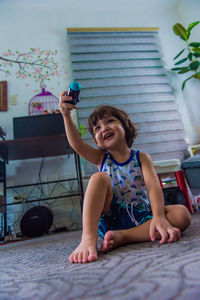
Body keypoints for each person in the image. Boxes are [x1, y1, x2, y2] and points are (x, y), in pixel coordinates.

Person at [59, 92, 191, 264]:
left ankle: (123, 237)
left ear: (125, 126)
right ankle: (87, 238)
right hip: (111, 216)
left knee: (183, 214)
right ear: (96, 141)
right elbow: (76, 144)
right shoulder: (101, 158)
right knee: (98, 178)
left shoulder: (142, 157)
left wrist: (158, 216)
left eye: (109, 121)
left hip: (141, 216)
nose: (103, 128)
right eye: (97, 128)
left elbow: (153, 187)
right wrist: (66, 115)